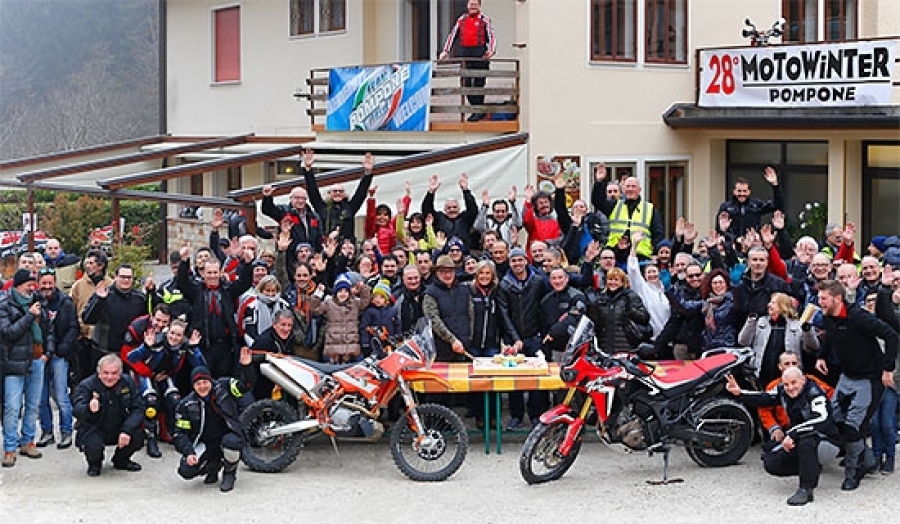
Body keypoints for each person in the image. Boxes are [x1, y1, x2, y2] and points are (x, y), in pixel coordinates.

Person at [814, 279, 898, 490]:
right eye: (819, 298)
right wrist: (822, 356)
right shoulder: (829, 316)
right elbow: (830, 335)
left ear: (837, 298)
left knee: (854, 426)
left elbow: (891, 335)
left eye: (823, 298)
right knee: (835, 418)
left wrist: (888, 369)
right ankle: (867, 459)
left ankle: (853, 472)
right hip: (847, 376)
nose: (820, 302)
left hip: (869, 379)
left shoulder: (859, 317)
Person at [725, 368, 840, 506]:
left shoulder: (815, 393)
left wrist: (792, 434)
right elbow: (764, 398)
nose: (790, 388)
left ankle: (806, 489)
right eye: (786, 384)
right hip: (798, 437)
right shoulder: (782, 389)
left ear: (803, 380)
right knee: (771, 462)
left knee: (806, 441)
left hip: (826, 441)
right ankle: (812, 467)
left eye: (794, 383)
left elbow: (822, 419)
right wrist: (739, 393)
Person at [172, 351, 252, 493]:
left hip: (228, 436)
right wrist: (189, 453)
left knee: (231, 443)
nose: (202, 386)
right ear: (193, 386)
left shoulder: (225, 386)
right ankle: (213, 466)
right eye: (198, 383)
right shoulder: (185, 404)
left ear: (211, 380)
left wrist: (246, 367)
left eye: (205, 382)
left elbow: (246, 386)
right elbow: (179, 433)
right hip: (206, 443)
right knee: (186, 470)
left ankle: (229, 473)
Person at [126, 318, 205, 458]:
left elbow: (201, 366)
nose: (174, 337)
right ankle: (151, 438)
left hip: (166, 376)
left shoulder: (185, 346)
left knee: (175, 399)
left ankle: (175, 433)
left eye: (178, 335)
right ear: (167, 332)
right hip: (146, 375)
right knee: (151, 400)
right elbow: (131, 358)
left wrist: (194, 348)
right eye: (172, 333)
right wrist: (145, 347)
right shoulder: (155, 341)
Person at [177, 244, 254, 378]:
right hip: (202, 345)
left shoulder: (228, 290)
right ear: (203, 273)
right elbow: (182, 283)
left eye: (215, 272)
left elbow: (244, 283)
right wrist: (184, 261)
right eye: (209, 273)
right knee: (203, 378)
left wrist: (248, 264)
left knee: (223, 380)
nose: (212, 276)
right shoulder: (196, 291)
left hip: (224, 346)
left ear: (220, 273)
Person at [1, 269, 52, 467]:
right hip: (13, 363)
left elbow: (49, 330)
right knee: (12, 407)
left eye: (34, 284)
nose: (32, 287)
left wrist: (48, 352)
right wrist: (30, 316)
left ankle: (28, 442)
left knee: (33, 405)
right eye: (28, 284)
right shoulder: (5, 305)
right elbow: (8, 332)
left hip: (37, 360)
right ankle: (9, 448)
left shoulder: (39, 302)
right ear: (18, 285)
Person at [498, 247, 550, 430]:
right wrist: (515, 338)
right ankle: (516, 416)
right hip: (514, 339)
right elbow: (504, 314)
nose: (517, 264)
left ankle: (536, 415)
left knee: (536, 377)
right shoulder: (504, 284)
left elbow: (544, 306)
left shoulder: (538, 281)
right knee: (514, 379)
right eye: (513, 261)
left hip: (535, 336)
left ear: (526, 261)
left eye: (520, 260)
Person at [72, 354, 145, 476]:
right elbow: (76, 410)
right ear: (99, 372)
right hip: (94, 428)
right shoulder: (86, 385)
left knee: (137, 435)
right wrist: (89, 408)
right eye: (105, 373)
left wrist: (127, 430)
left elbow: (138, 408)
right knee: (93, 446)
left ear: (120, 373)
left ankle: (121, 460)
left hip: (119, 426)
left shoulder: (128, 383)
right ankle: (94, 464)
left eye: (114, 373)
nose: (109, 377)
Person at [36, 267, 79, 450]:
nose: (47, 286)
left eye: (50, 283)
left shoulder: (65, 302)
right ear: (38, 283)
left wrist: (61, 349)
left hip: (59, 355)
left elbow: (73, 327)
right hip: (39, 355)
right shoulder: (35, 302)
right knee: (41, 397)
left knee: (61, 395)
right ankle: (47, 431)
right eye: (43, 283)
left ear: (55, 283)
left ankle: (66, 431)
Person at [738, 292, 819, 387]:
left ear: (783, 306)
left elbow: (813, 346)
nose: (769, 305)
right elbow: (743, 341)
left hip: (788, 378)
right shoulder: (760, 322)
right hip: (761, 374)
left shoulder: (797, 326)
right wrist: (751, 321)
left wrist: (808, 331)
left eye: (773, 303)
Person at [81, 264, 148, 375]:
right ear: (115, 277)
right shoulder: (104, 294)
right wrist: (100, 300)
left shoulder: (140, 298)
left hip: (128, 353)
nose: (126, 280)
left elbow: (150, 319)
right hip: (104, 352)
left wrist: (151, 292)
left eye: (129, 277)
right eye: (122, 277)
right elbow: (87, 319)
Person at [757, 352, 833, 446]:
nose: (791, 366)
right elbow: (764, 409)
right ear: (780, 366)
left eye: (794, 363)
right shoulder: (773, 386)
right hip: (784, 430)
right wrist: (773, 427)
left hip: (807, 430)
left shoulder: (811, 381)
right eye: (787, 364)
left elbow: (830, 393)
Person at [439, 0, 496, 121]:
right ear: (467, 5)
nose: (473, 6)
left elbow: (491, 36)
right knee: (466, 84)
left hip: (480, 54)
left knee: (479, 84)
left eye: (475, 4)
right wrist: (445, 51)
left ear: (479, 6)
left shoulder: (485, 20)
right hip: (465, 54)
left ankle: (477, 112)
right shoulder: (462, 19)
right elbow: (452, 35)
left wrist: (491, 51)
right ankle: (478, 110)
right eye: (471, 4)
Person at [592, 164, 664, 260]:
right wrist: (600, 182)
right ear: (623, 189)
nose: (630, 189)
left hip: (640, 256)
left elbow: (658, 234)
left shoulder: (650, 208)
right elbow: (597, 201)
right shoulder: (614, 205)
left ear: (639, 190)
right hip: (615, 255)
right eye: (628, 186)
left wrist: (655, 252)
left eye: (633, 186)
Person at [303, 149, 374, 243]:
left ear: (344, 194)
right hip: (327, 246)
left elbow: (361, 193)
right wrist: (308, 170)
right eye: (335, 191)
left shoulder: (350, 207)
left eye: (340, 191)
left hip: (346, 247)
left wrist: (368, 173)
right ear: (329, 193)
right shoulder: (322, 207)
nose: (337, 193)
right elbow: (313, 191)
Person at [69, 249, 113, 382]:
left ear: (101, 266)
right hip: (83, 337)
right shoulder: (78, 285)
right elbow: (71, 309)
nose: (88, 266)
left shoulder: (111, 285)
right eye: (86, 263)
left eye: (91, 263)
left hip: (103, 340)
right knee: (83, 375)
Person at [309, 274, 372, 363]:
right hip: (333, 346)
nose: (343, 294)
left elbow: (365, 301)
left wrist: (363, 288)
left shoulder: (355, 303)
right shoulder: (329, 303)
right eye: (340, 291)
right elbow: (315, 309)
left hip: (351, 346)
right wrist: (318, 294)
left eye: (346, 291)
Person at [422, 255, 473, 363]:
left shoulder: (465, 290)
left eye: (450, 271)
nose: (448, 275)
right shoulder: (430, 293)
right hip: (441, 350)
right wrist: (452, 340)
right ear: (436, 273)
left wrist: (469, 338)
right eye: (443, 271)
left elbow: (471, 316)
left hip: (465, 347)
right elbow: (433, 320)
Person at [587, 267, 649, 353]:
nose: (613, 282)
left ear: (622, 282)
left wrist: (631, 311)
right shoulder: (600, 298)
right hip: (604, 347)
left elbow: (644, 317)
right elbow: (595, 324)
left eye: (616, 280)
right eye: (610, 279)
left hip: (626, 347)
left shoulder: (630, 296)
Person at [717, 168, 784, 240]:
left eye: (744, 191)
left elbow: (777, 205)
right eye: (739, 191)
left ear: (749, 192)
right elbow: (719, 228)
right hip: (732, 244)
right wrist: (734, 239)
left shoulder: (756, 205)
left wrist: (775, 185)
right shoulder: (726, 207)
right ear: (734, 191)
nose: (742, 194)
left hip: (753, 243)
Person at [261, 183, 323, 254]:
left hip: (310, 254)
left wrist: (319, 253)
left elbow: (319, 237)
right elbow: (268, 210)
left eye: (303, 198)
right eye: (297, 198)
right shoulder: (284, 211)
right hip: (290, 254)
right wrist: (267, 197)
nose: (300, 201)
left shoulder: (314, 216)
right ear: (291, 198)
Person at [422, 173, 479, 248]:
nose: (452, 210)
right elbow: (427, 211)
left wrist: (466, 191)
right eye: (449, 208)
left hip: (463, 252)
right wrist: (430, 193)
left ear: (459, 208)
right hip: (443, 252)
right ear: (445, 209)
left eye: (454, 207)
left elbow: (473, 209)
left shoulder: (465, 218)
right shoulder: (439, 218)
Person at [360, 281, 400, 358]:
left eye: (381, 297)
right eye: (376, 297)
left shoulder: (392, 311)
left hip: (390, 342)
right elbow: (364, 327)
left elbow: (397, 324)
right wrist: (365, 343)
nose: (378, 300)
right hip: (374, 343)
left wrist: (398, 336)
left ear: (386, 299)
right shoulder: (369, 311)